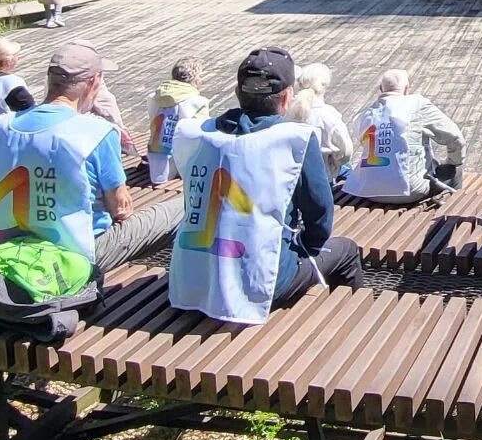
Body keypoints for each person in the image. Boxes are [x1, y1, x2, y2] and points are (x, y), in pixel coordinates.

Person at [168, 47, 362, 323]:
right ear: (286, 97)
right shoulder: (294, 139)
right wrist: (304, 245)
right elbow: (319, 217)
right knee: (346, 250)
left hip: (191, 278)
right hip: (261, 283)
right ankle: (345, 326)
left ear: (237, 92)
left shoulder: (196, 132)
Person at [0, 40, 182, 271]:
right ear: (94, 82)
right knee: (180, 208)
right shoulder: (97, 133)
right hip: (72, 258)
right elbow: (121, 210)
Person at [344, 69, 465, 203]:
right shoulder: (417, 104)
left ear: (380, 89)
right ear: (407, 89)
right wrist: (452, 161)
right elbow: (456, 139)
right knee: (455, 169)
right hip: (410, 191)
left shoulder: (366, 114)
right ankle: (450, 209)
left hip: (368, 190)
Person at [146, 57, 211, 185]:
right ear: (195, 78)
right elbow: (203, 137)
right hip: (181, 165)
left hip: (155, 160)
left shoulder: (154, 97)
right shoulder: (198, 102)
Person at [288, 63, 353, 180]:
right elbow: (346, 153)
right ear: (325, 86)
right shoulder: (328, 115)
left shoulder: (288, 112)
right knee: (348, 168)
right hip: (322, 177)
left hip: (295, 176)